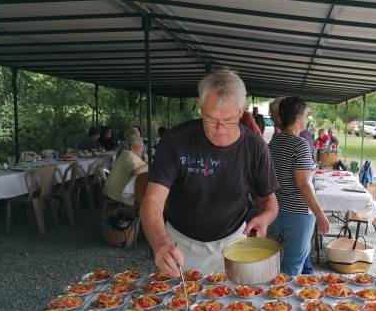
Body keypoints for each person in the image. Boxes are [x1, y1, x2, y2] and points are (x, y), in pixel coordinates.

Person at [141, 70, 279, 276]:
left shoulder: (256, 147)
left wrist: (265, 217)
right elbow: (152, 201)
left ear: (242, 111)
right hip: (179, 243)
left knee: (233, 305)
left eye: (229, 119)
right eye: (210, 118)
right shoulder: (175, 141)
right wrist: (161, 244)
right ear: (200, 106)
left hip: (234, 242)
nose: (219, 128)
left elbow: (269, 200)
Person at [268, 97, 329, 275]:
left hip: (279, 209)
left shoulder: (274, 142)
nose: (306, 119)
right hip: (298, 213)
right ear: (297, 117)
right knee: (293, 265)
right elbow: (303, 184)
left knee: (286, 261)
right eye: (305, 114)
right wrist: (320, 214)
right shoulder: (299, 144)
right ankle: (283, 299)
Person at [104, 135, 148, 206]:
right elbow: (135, 172)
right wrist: (149, 165)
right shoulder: (128, 155)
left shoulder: (127, 154)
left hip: (113, 189)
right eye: (141, 146)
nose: (142, 149)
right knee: (145, 195)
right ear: (131, 147)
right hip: (115, 192)